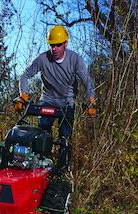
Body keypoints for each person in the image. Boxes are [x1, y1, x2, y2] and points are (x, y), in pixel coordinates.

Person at [15, 25, 96, 172]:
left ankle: (62, 169)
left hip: (67, 102)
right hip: (47, 100)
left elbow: (87, 80)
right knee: (42, 133)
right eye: (52, 45)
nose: (55, 49)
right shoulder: (42, 59)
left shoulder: (75, 59)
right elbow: (25, 75)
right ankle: (40, 165)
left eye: (58, 45)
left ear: (65, 44)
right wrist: (23, 95)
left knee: (65, 137)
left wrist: (91, 99)